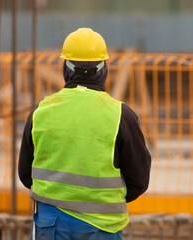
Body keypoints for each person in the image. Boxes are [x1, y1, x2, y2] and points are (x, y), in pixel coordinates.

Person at [18, 27, 151, 240]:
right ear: (103, 69)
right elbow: (139, 181)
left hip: (51, 224)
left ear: (66, 68)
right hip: (103, 228)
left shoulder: (41, 111)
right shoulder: (121, 116)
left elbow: (26, 174)